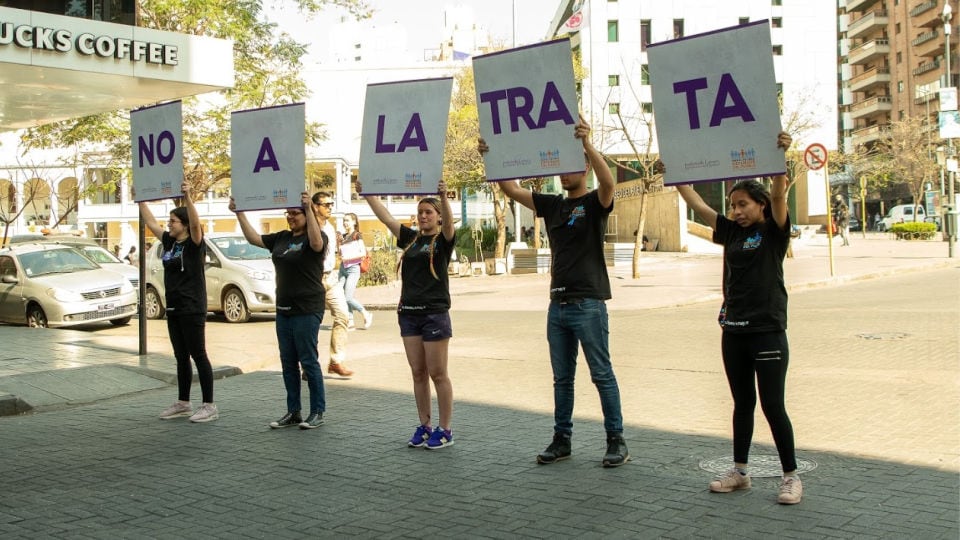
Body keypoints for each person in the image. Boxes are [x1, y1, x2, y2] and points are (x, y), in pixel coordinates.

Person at [478, 115, 629, 468]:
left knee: (601, 373)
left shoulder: (593, 203)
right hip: (557, 306)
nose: (564, 173)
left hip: (589, 303)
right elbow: (511, 190)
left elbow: (610, 184)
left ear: (585, 170)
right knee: (562, 378)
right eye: (561, 167)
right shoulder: (552, 205)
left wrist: (588, 145)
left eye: (572, 166)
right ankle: (562, 440)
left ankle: (616, 440)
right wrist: (493, 156)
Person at [675, 131, 803, 505]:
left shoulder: (773, 232)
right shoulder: (730, 232)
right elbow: (698, 204)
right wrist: (678, 176)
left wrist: (780, 158)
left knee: (773, 406)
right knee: (742, 403)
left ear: (761, 206)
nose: (736, 211)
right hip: (733, 332)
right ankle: (740, 472)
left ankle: (791, 477)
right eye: (732, 206)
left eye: (743, 204)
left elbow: (780, 195)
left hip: (767, 332)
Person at [360, 179, 457, 450]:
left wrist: (443, 197)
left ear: (438, 217)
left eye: (429, 212)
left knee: (438, 373)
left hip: (434, 314)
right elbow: (386, 217)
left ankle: (446, 429)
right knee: (418, 372)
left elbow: (449, 226)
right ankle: (425, 425)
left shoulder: (443, 241)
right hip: (409, 315)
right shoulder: (411, 239)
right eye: (421, 212)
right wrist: (367, 194)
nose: (424, 216)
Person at [231, 192, 327, 429]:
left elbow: (317, 244)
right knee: (287, 362)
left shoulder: (315, 236)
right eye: (289, 213)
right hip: (284, 309)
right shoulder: (281, 238)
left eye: (296, 213)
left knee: (308, 361)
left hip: (307, 307)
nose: (291, 217)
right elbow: (254, 238)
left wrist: (309, 209)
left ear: (307, 215)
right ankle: (293, 411)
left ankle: (317, 411)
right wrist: (239, 213)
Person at [139, 183, 218, 423]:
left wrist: (187, 197)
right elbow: (151, 223)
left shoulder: (194, 244)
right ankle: (184, 402)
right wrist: (140, 199)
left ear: (183, 225)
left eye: (173, 221)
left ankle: (209, 405)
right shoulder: (170, 243)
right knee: (180, 356)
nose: (168, 224)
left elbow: (196, 224)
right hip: (173, 307)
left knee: (199, 355)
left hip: (192, 306)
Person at [311, 192, 355, 377]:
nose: (330, 207)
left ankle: (336, 361)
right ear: (315, 206)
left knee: (343, 316)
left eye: (331, 203)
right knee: (311, 323)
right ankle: (308, 365)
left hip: (330, 278)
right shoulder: (308, 226)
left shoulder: (329, 227)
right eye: (326, 204)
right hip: (312, 280)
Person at [338, 212, 374, 329]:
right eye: (344, 220)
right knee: (341, 296)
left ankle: (365, 313)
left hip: (353, 268)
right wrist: (339, 245)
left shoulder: (357, 235)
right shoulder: (343, 236)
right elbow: (340, 253)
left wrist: (348, 257)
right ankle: (350, 321)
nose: (345, 223)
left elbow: (362, 253)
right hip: (343, 268)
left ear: (354, 222)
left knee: (348, 297)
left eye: (347, 220)